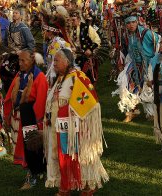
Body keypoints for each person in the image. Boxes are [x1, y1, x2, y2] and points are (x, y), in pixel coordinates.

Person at [44, 48, 109, 195]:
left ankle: (88, 185)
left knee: (79, 156)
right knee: (61, 156)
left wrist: (76, 117)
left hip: (75, 129)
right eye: (53, 60)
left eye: (57, 60)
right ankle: (65, 185)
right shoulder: (59, 79)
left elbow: (90, 103)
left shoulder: (77, 77)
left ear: (67, 62)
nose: (54, 64)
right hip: (59, 128)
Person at [3, 49, 48, 189]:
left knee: (32, 148)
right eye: (19, 60)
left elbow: (41, 101)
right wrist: (9, 113)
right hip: (21, 117)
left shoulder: (39, 77)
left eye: (23, 60)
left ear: (32, 60)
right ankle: (38, 173)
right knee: (26, 148)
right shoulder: (20, 74)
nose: (20, 63)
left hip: (31, 119)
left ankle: (33, 176)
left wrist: (39, 123)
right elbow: (10, 94)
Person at [113, 14, 160, 122]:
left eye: (133, 22)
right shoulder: (126, 35)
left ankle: (151, 113)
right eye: (128, 23)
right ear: (125, 25)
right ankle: (131, 110)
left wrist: (155, 62)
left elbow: (158, 43)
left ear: (137, 22)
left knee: (148, 88)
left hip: (148, 64)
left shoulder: (146, 33)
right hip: (134, 63)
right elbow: (127, 50)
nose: (131, 25)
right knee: (125, 83)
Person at [1, 5, 35, 92]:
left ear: (20, 15)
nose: (14, 14)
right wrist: (6, 50)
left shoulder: (24, 28)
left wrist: (22, 52)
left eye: (16, 13)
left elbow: (31, 44)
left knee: (17, 78)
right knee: (3, 71)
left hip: (20, 57)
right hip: (10, 55)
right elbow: (5, 42)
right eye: (13, 13)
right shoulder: (9, 27)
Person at [69, 11, 101, 84]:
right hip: (75, 56)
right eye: (71, 20)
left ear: (79, 19)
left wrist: (90, 49)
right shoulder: (72, 30)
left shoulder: (87, 27)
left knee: (86, 76)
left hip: (86, 56)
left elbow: (97, 40)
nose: (72, 22)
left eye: (73, 20)